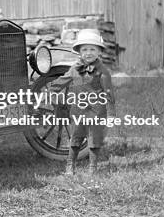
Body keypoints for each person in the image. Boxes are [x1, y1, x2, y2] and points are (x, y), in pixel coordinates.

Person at [48, 28, 115, 174]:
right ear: (79, 51)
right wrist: (52, 91)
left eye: (92, 49)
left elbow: (108, 93)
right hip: (78, 110)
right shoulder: (75, 69)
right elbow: (62, 81)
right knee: (75, 137)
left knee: (94, 139)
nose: (88, 53)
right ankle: (70, 165)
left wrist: (111, 115)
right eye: (85, 49)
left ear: (99, 51)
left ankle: (93, 168)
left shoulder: (102, 71)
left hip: (97, 110)